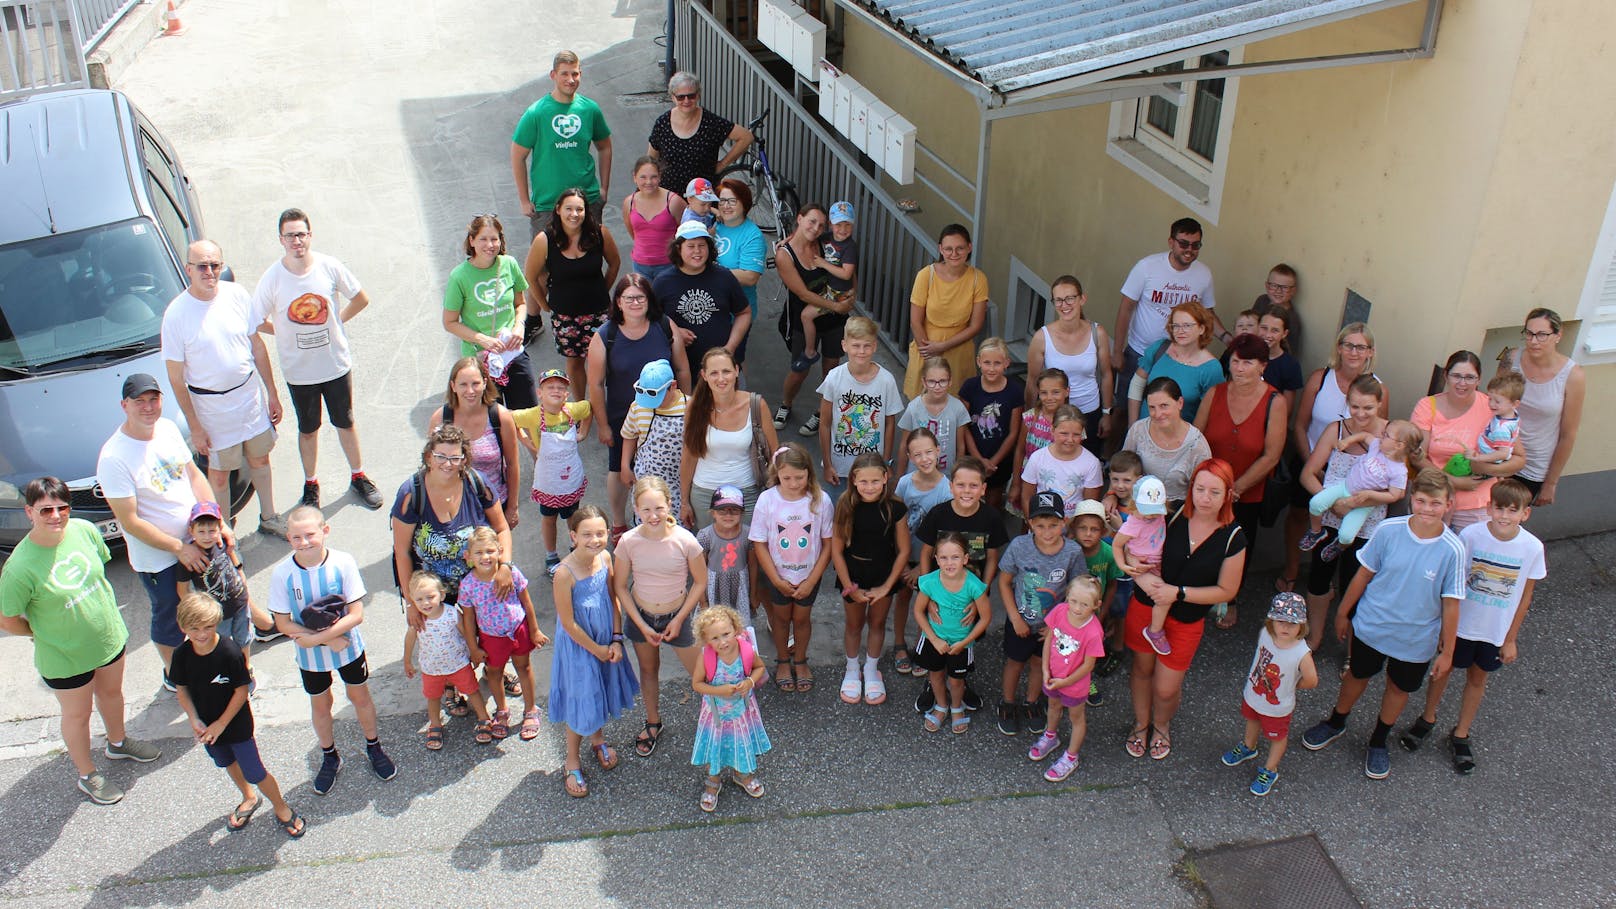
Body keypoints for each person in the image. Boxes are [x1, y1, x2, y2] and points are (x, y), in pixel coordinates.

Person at [0, 477, 159, 805]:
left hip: (107, 639)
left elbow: (99, 568)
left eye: (62, 508)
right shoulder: (19, 567)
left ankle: (118, 743)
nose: (56, 516)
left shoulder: (84, 530)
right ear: (30, 512)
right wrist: (37, 633)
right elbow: (7, 618)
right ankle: (87, 775)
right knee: (78, 715)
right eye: (46, 510)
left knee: (112, 694)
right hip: (64, 656)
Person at [1300, 470, 1465, 781]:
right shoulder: (1388, 530)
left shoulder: (1453, 550)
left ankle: (1378, 740)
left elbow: (1451, 602)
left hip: (1416, 640)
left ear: (1449, 505)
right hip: (1372, 626)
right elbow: (1363, 574)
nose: (1427, 509)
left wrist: (1448, 651)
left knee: (1398, 688)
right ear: (1410, 500)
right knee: (1356, 676)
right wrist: (1343, 612)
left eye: (1435, 503)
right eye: (1420, 501)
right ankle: (1336, 721)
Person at [1399, 479, 1544, 774]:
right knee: (1442, 672)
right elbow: (1452, 582)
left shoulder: (1532, 548)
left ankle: (1462, 733)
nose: (1504, 516)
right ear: (1488, 507)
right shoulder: (1472, 535)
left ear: (1525, 514)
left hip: (1494, 632)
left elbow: (1525, 597)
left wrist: (1511, 638)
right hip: (1460, 626)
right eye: (1499, 508)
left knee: (1477, 680)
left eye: (1512, 511)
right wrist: (1442, 625)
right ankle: (1427, 718)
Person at [98, 374, 227, 684]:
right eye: (139, 401)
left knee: (217, 598)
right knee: (170, 616)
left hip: (198, 539)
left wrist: (216, 521)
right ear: (124, 405)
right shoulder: (114, 458)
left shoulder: (167, 429)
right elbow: (130, 521)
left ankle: (224, 654)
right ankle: (175, 675)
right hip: (161, 559)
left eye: (153, 399)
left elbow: (194, 476)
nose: (148, 407)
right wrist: (180, 548)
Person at [250, 208, 383, 510]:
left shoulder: (328, 266)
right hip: (300, 373)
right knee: (308, 429)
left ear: (310, 235)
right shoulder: (272, 279)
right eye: (290, 236)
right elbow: (255, 320)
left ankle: (358, 476)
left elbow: (360, 297)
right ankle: (311, 483)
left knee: (345, 422)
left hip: (335, 364)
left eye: (301, 234)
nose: (296, 241)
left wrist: (337, 321)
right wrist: (281, 332)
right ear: (280, 240)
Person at [1122, 460, 1248, 762]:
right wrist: (1141, 574)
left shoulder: (1234, 537)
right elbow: (1131, 543)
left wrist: (1177, 593)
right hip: (1145, 605)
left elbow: (1227, 591)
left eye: (1214, 491)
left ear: (1228, 495)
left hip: (1186, 620)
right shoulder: (1171, 513)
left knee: (1166, 689)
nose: (1205, 497)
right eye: (1200, 488)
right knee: (1141, 669)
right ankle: (1141, 724)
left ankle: (1161, 725)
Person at [390, 424, 518, 716]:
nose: (448, 464)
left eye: (455, 457)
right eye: (441, 457)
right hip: (435, 590)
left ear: (465, 459)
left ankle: (495, 670)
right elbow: (401, 550)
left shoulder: (476, 482)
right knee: (445, 638)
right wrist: (411, 601)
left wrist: (505, 566)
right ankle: (450, 685)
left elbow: (501, 528)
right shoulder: (412, 493)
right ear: (429, 457)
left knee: (488, 631)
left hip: (479, 582)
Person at [161, 239, 285, 537]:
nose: (209, 272)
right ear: (188, 269)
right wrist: (195, 425)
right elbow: (176, 379)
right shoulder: (176, 315)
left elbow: (256, 345)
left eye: (215, 265)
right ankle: (225, 532)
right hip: (211, 409)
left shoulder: (237, 295)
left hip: (248, 397)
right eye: (201, 266)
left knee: (260, 459)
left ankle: (269, 517)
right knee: (219, 475)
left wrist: (272, 393)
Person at [269, 505, 394, 795]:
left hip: (348, 649)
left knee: (359, 696)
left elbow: (356, 614)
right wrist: (325, 640)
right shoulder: (283, 574)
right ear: (289, 539)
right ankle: (329, 757)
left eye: (310, 535)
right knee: (320, 704)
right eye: (297, 537)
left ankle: (374, 747)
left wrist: (316, 638)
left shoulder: (343, 562)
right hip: (311, 657)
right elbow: (282, 622)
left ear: (325, 531)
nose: (304, 542)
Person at [171, 593, 303, 835]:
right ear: (182, 626)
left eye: (208, 627)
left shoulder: (229, 651)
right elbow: (182, 690)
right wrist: (194, 718)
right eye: (194, 628)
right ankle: (249, 797)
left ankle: (281, 806)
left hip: (236, 725)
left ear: (217, 622)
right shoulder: (181, 655)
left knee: (255, 771)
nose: (201, 634)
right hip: (207, 727)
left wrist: (221, 724)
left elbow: (241, 690)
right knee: (226, 762)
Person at [1278, 323, 1386, 593]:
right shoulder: (1320, 378)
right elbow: (1300, 424)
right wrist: (1314, 465)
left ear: (1370, 351)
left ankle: (1335, 580)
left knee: (1345, 528)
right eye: (1348, 345)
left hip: (1353, 472)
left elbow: (1377, 435)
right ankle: (1292, 570)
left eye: (1360, 346)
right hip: (1313, 457)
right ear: (1339, 347)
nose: (1353, 351)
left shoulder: (1379, 388)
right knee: (1299, 515)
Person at [586, 274, 691, 537]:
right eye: (628, 298)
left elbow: (682, 369)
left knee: (671, 468)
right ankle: (620, 522)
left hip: (668, 413)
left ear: (649, 299)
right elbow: (596, 384)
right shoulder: (605, 335)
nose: (635, 302)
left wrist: (687, 407)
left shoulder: (665, 326)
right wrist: (603, 424)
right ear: (618, 302)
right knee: (620, 470)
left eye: (640, 297)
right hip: (624, 415)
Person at [1193, 334, 1288, 622]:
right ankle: (1196, 592)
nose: (1240, 368)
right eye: (1235, 361)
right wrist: (1208, 484)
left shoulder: (1275, 401)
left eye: (1247, 363)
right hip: (1207, 486)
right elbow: (1195, 440)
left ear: (1263, 366)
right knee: (1200, 540)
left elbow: (1271, 455)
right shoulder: (1215, 393)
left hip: (1247, 493)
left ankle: (1229, 598)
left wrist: (1236, 489)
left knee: (1237, 546)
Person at [1297, 375, 1392, 651]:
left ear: (1380, 404)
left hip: (1368, 523)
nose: (1360, 414)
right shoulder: (1335, 431)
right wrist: (1331, 504)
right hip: (1330, 519)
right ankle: (1314, 636)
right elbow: (1308, 474)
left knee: (1356, 584)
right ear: (1347, 403)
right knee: (1318, 578)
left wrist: (1359, 502)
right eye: (1355, 407)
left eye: (1368, 408)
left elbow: (1398, 483)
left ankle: (1351, 647)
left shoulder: (1390, 435)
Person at [550, 505, 639, 798]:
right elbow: (568, 622)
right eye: (587, 534)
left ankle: (597, 739)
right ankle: (571, 759)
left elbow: (613, 599)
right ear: (573, 535)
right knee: (582, 699)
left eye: (600, 533)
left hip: (605, 641)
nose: (595, 539)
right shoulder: (564, 573)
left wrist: (615, 639)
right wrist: (598, 650)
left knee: (599, 692)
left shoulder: (604, 558)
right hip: (580, 648)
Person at [615, 476, 707, 758]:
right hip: (642, 616)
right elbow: (620, 586)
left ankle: (716, 723)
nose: (653, 516)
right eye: (645, 510)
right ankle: (653, 721)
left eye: (658, 508)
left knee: (701, 674)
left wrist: (679, 619)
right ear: (636, 508)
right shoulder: (628, 542)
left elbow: (700, 581)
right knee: (648, 670)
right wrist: (641, 624)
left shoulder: (685, 540)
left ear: (670, 505)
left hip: (678, 614)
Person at [1111, 218, 1224, 444]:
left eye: (1196, 245)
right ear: (1171, 242)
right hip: (1140, 350)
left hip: (1180, 356)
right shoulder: (1147, 267)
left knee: (1167, 409)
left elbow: (1207, 311)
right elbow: (1126, 309)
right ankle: (1114, 457)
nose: (1189, 250)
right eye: (1184, 243)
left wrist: (1227, 337)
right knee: (1124, 406)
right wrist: (1117, 351)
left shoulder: (1204, 274)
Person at [912, 458, 1008, 714]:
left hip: (970, 597)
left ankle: (960, 684)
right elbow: (925, 554)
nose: (967, 491)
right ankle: (933, 686)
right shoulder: (939, 514)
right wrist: (927, 595)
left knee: (962, 646)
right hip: (939, 593)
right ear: (951, 487)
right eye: (961, 485)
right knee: (937, 639)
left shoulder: (991, 517)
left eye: (973, 486)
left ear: (983, 489)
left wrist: (981, 598)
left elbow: (992, 559)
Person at [995, 490, 1086, 736]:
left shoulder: (1072, 552)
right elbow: (1004, 582)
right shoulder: (1019, 546)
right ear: (1030, 523)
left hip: (1052, 625)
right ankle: (1008, 702)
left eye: (1054, 525)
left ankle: (1032, 702)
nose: (1047, 532)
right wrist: (1014, 617)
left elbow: (1076, 591)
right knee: (1014, 662)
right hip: (1020, 620)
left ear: (1064, 523)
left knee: (1040, 663)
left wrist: (1059, 625)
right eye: (1041, 525)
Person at [751, 445, 835, 693]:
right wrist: (776, 580)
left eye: (799, 477)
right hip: (778, 575)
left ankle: (800, 659)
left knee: (801, 618)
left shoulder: (820, 500)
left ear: (809, 473)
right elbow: (759, 543)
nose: (793, 483)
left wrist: (811, 580)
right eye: (786, 478)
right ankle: (782, 660)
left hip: (810, 574)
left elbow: (828, 543)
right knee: (780, 618)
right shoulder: (767, 500)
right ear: (777, 474)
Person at [523, 187, 621, 398]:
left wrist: (603, 289)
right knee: (575, 363)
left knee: (604, 360)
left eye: (579, 209)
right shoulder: (544, 240)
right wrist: (544, 305)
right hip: (565, 316)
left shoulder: (599, 233)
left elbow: (614, 263)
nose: (574, 214)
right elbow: (530, 276)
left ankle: (604, 404)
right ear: (558, 210)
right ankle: (580, 407)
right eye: (569, 208)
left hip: (599, 313)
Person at [1412, 351, 1525, 530]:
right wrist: (1451, 481)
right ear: (1445, 376)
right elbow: (1417, 457)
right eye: (1456, 376)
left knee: (1469, 555)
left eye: (1470, 377)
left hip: (1478, 504)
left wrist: (1487, 468)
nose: (1462, 383)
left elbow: (1518, 458)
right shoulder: (1427, 407)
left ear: (1479, 380)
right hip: (1434, 499)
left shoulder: (1492, 406)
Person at [1219, 592, 1317, 797]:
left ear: (1302, 625)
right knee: (1252, 719)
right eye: (1280, 621)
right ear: (1271, 621)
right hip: (1255, 694)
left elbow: (1312, 679)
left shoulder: (1301, 652)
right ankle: (1248, 746)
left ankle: (1270, 769)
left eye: (1292, 623)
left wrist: (1293, 686)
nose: (1285, 627)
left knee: (1278, 736)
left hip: (1277, 706)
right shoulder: (1266, 633)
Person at [829, 453, 909, 706]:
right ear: (853, 479)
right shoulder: (845, 504)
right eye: (863, 481)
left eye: (875, 481)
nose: (870, 487)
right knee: (854, 625)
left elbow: (904, 550)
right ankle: (853, 668)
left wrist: (886, 587)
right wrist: (849, 587)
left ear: (886, 478)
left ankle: (872, 669)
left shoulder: (895, 507)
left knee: (877, 623)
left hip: (883, 576)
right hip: (853, 575)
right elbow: (836, 550)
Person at [512, 49, 612, 238]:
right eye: (564, 73)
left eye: (575, 73)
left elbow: (605, 146)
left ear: (580, 74)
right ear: (553, 75)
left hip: (585, 202)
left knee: (588, 259)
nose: (571, 79)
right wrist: (524, 200)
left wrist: (604, 188)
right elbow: (517, 156)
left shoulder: (590, 109)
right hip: (549, 205)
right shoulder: (536, 113)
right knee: (546, 262)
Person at [442, 215, 538, 411]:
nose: (490, 245)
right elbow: (449, 322)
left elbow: (520, 303)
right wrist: (482, 339)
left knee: (528, 412)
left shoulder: (508, 264)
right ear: (472, 241)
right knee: (492, 418)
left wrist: (519, 327)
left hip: (512, 352)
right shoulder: (459, 276)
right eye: (483, 239)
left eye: (494, 239)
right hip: (480, 358)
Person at [461, 527, 548, 742]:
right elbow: (468, 618)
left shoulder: (512, 573)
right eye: (479, 553)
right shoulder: (468, 585)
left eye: (490, 551)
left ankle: (530, 710)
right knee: (494, 673)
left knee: (524, 667)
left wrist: (535, 630)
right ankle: (502, 711)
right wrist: (473, 647)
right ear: (468, 556)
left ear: (500, 551)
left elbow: (526, 602)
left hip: (518, 630)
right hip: (491, 637)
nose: (485, 557)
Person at [773, 204, 854, 432]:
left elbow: (848, 266)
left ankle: (821, 412)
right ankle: (786, 404)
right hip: (803, 319)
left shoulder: (826, 241)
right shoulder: (784, 255)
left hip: (832, 320)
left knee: (831, 369)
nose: (816, 228)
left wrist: (851, 292)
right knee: (799, 370)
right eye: (811, 221)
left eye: (820, 224)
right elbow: (802, 293)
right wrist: (836, 307)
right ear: (799, 219)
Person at [681, 347, 780, 528]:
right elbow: (688, 456)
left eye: (726, 371)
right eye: (714, 373)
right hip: (704, 494)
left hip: (748, 492)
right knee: (709, 552)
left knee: (750, 550)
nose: (721, 378)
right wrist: (684, 501)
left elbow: (776, 454)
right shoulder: (694, 407)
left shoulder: (756, 405)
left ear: (736, 371)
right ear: (704, 375)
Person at [1497, 307, 1584, 505]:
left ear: (1558, 335)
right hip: (1499, 453)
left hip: (1533, 465)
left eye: (1542, 335)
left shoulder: (1573, 375)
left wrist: (1551, 483)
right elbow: (1492, 403)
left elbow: (1568, 434)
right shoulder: (1511, 359)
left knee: (1507, 520)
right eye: (1529, 334)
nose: (1534, 341)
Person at [1300, 420, 1422, 560]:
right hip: (1345, 487)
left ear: (1399, 445)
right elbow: (1364, 436)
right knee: (1315, 503)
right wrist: (1347, 441)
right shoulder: (1377, 446)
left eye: (1386, 435)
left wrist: (1370, 494)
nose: (1382, 435)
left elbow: (1395, 495)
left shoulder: (1399, 471)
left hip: (1363, 504)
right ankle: (1316, 531)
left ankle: (1340, 546)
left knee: (1346, 536)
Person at [176, 502, 269, 682]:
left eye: (212, 531)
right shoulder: (188, 559)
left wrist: (241, 574)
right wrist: (198, 612)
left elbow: (233, 557)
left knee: (243, 639)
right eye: (201, 531)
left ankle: (245, 667)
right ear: (191, 531)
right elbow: (183, 590)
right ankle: (227, 673)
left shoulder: (221, 543)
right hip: (217, 614)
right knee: (221, 644)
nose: (207, 536)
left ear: (219, 529)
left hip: (240, 603)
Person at [512, 367, 592, 576]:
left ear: (567, 393)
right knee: (549, 518)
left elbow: (588, 408)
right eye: (550, 387)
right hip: (549, 480)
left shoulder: (573, 410)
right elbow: (510, 420)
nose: (556, 391)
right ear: (539, 393)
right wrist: (526, 441)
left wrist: (583, 432)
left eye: (561, 388)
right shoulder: (531, 415)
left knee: (573, 516)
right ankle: (551, 555)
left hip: (570, 477)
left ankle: (577, 548)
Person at [691, 605, 771, 812]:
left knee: (740, 743)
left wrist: (750, 682)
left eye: (726, 634)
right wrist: (719, 691)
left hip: (741, 712)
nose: (722, 642)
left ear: (735, 629)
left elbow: (759, 667)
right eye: (715, 638)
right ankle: (713, 780)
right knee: (715, 748)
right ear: (706, 640)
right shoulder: (707, 657)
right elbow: (697, 684)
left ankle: (742, 773)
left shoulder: (745, 649)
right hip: (716, 715)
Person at [401, 572, 492, 749]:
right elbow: (410, 640)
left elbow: (466, 632)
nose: (425, 603)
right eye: (419, 599)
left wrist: (474, 650)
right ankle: (435, 724)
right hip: (431, 669)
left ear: (442, 595)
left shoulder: (452, 613)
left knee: (472, 691)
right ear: (412, 600)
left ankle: (483, 718)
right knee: (433, 697)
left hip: (458, 664)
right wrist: (407, 661)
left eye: (430, 597)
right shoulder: (418, 619)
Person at [1027, 576, 1105, 782]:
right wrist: (1045, 669)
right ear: (1067, 597)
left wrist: (1066, 682)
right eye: (1073, 601)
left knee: (1076, 718)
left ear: (1097, 605)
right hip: (1053, 676)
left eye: (1085, 604)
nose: (1077, 608)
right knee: (1053, 706)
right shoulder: (1061, 611)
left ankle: (1071, 756)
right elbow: (1049, 639)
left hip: (1074, 684)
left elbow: (1089, 665)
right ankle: (1051, 736)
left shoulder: (1093, 631)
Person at [429, 357, 522, 529]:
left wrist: (512, 507)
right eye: (463, 384)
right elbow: (431, 466)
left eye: (475, 383)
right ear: (453, 386)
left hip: (494, 505)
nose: (470, 391)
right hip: (453, 509)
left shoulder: (500, 417)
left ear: (485, 383)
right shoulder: (440, 419)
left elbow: (512, 464)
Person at [913, 532, 992, 734]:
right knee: (936, 675)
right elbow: (918, 611)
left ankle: (957, 706)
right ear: (936, 559)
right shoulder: (929, 582)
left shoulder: (974, 585)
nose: (950, 563)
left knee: (957, 680)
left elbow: (985, 618)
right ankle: (941, 705)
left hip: (962, 643)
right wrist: (933, 639)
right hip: (933, 640)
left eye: (955, 557)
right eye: (944, 557)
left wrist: (966, 641)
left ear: (965, 559)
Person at [1025, 275, 1113, 451]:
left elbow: (1106, 374)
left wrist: (1107, 412)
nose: (1064, 305)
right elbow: (1032, 380)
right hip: (1055, 414)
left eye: (1070, 298)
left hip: (1089, 412)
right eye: (1058, 300)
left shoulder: (1098, 332)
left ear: (1082, 299)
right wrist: (1031, 416)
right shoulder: (1042, 337)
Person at [653, 219, 752, 371]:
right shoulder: (662, 282)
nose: (697, 251)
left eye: (702, 245)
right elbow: (651, 320)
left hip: (722, 365)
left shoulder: (724, 276)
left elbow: (744, 313)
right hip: (680, 368)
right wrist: (674, 332)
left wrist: (730, 348)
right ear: (678, 249)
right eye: (691, 246)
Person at [817, 316, 904, 489]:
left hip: (873, 470)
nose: (861, 351)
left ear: (875, 346)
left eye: (867, 345)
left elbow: (889, 424)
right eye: (856, 346)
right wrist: (827, 464)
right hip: (840, 469)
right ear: (844, 345)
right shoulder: (834, 377)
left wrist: (885, 462)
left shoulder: (886, 380)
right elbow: (825, 423)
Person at [893, 428, 952, 677]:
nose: (924, 458)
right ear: (909, 456)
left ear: (938, 451)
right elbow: (896, 522)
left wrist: (921, 568)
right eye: (917, 454)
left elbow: (946, 536)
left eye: (929, 452)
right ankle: (898, 645)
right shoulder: (905, 483)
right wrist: (904, 562)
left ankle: (921, 645)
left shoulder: (947, 489)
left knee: (925, 601)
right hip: (905, 556)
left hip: (932, 560)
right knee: (903, 598)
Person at [904, 224, 988, 398]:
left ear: (969, 248)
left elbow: (976, 325)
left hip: (959, 351)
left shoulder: (978, 279)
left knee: (956, 408)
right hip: (926, 347)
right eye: (948, 249)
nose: (954, 253)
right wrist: (930, 355)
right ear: (941, 249)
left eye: (960, 248)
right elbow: (916, 321)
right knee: (921, 410)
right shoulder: (926, 275)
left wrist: (943, 347)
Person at [646, 71, 753, 195]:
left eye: (691, 96)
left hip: (701, 199)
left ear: (698, 95)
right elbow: (651, 159)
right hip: (669, 197)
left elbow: (746, 137)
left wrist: (723, 164)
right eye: (681, 97)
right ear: (673, 97)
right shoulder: (663, 123)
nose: (686, 101)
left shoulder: (711, 123)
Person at [1128, 302, 1223, 424]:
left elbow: (1210, 413)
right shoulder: (1160, 348)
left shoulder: (1211, 368)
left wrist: (1191, 441)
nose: (1180, 331)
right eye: (1176, 326)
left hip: (1178, 439)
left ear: (1201, 328)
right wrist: (1133, 427)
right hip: (1144, 431)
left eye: (1187, 325)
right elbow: (1137, 385)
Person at [1123, 378, 1213, 506]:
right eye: (1152, 407)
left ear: (1180, 403)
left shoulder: (1197, 445)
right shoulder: (1138, 430)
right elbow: (1122, 468)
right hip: (1139, 508)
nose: (1158, 414)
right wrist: (1111, 495)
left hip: (1178, 513)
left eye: (1164, 406)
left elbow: (1203, 489)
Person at [959, 337, 1024, 510]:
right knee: (968, 496)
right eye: (987, 362)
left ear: (1007, 363)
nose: (991, 368)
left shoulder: (1015, 391)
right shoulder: (969, 387)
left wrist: (993, 462)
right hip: (972, 454)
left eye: (997, 363)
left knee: (993, 502)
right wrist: (978, 459)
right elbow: (963, 425)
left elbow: (1013, 433)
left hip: (1000, 459)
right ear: (978, 361)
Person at [621, 358, 690, 518]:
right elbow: (630, 435)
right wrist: (625, 466)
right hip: (646, 480)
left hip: (679, 484)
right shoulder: (638, 406)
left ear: (672, 386)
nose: (652, 405)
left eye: (656, 398)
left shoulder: (690, 407)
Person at [796, 200, 859, 372]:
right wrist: (788, 239)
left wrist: (823, 263)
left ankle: (809, 352)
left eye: (847, 224)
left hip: (838, 293)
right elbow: (802, 236)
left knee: (806, 316)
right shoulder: (827, 238)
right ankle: (810, 349)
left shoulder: (850, 247)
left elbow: (846, 273)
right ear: (830, 225)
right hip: (828, 288)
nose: (843, 229)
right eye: (838, 224)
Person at [1017, 404, 1103, 520]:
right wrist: (1034, 526)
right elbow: (1027, 497)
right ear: (1052, 430)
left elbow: (1089, 506)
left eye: (1076, 434)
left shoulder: (1091, 463)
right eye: (1064, 433)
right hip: (1042, 527)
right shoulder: (1037, 458)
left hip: (1073, 532)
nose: (1070, 440)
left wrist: (1073, 533)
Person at [1115, 475, 1169, 653]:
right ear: (1134, 504)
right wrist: (1123, 565)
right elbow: (1117, 544)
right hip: (1141, 567)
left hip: (1157, 563)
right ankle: (1154, 631)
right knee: (1163, 595)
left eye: (1156, 509)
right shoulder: (1133, 524)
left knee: (1165, 592)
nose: (1152, 514)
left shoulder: (1159, 516)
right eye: (1146, 510)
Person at [698, 485, 758, 643]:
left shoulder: (748, 534)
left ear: (742, 513)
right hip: (714, 588)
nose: (728, 515)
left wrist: (753, 594)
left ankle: (741, 658)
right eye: (722, 510)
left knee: (740, 628)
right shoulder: (705, 536)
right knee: (714, 628)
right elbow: (699, 570)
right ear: (713, 513)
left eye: (734, 510)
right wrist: (703, 601)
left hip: (739, 588)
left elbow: (752, 565)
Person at [1071, 499, 1124, 678]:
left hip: (1094, 611)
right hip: (1070, 610)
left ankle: (1086, 681)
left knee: (1088, 650)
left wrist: (1102, 615)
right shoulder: (1068, 551)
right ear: (1074, 529)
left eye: (1094, 529)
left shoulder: (1108, 553)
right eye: (1082, 528)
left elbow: (1111, 585)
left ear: (1102, 531)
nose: (1088, 534)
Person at [896, 357, 969, 475]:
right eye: (932, 381)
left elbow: (960, 447)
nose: (937, 386)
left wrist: (957, 476)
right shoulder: (914, 408)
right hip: (916, 477)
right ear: (924, 382)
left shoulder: (958, 408)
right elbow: (904, 445)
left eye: (942, 381)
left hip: (946, 477)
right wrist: (899, 478)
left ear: (950, 381)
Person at [713, 179, 767, 327]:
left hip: (735, 314)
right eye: (722, 201)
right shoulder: (714, 223)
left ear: (744, 203)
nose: (726, 206)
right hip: (711, 308)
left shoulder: (752, 235)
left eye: (732, 201)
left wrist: (710, 268)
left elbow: (750, 277)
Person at [623, 157, 685, 282]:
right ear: (634, 177)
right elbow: (632, 231)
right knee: (644, 300)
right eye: (643, 177)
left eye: (653, 177)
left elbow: (686, 231)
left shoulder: (673, 201)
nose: (649, 182)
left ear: (660, 176)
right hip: (640, 265)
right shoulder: (629, 202)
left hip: (669, 264)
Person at [1466, 372, 1524, 470]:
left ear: (1515, 404)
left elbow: (1503, 453)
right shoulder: (1512, 414)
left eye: (1497, 401)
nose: (1491, 404)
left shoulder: (1502, 429)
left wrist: (1479, 458)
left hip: (1487, 460)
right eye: (1490, 399)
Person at [1256, 307, 1304, 409]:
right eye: (1264, 328)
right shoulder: (1246, 354)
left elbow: (1286, 409)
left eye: (1275, 330)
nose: (1268, 335)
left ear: (1284, 333)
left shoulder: (1291, 365)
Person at [1251, 264, 1302, 354]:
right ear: (1267, 286)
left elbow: (1290, 352)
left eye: (1285, 287)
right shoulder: (1261, 301)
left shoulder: (1293, 320)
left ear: (1293, 291)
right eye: (1274, 285)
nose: (1278, 291)